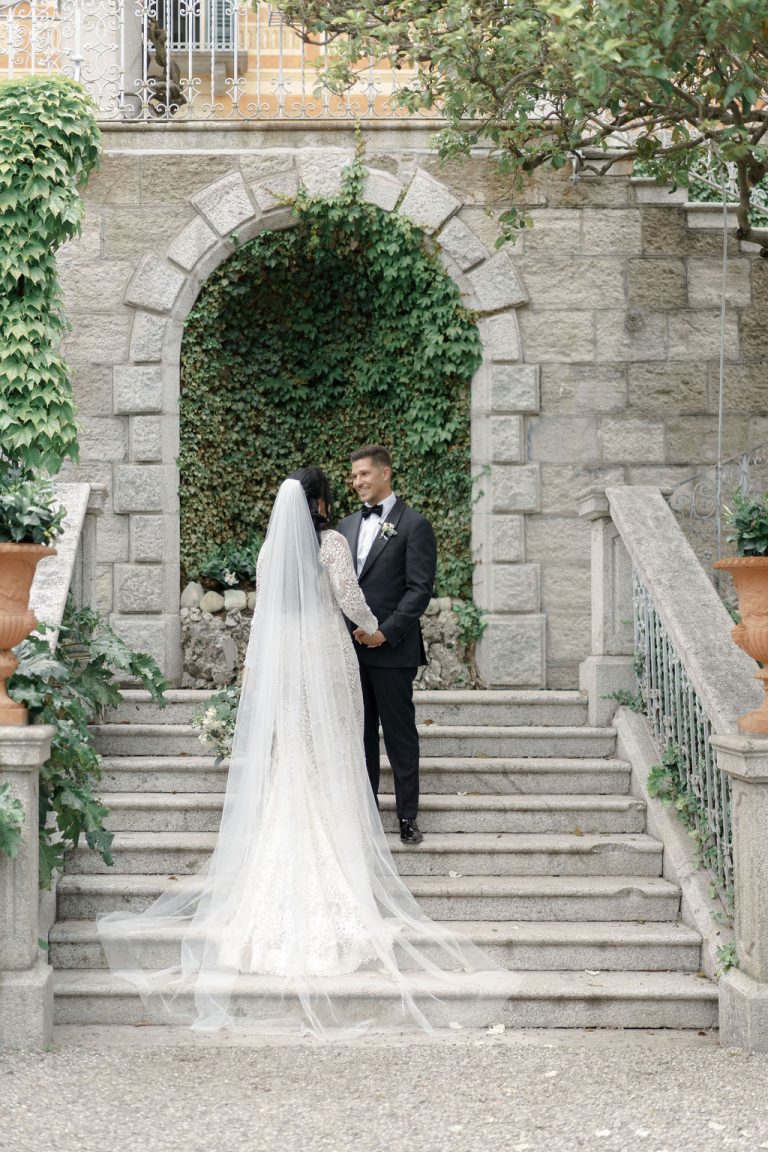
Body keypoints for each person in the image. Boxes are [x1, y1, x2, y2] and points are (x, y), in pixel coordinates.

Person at [97, 468, 504, 1036]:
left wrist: (254, 677)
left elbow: (262, 619)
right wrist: (371, 628)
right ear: (320, 502)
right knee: (329, 752)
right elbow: (350, 597)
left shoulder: (271, 551)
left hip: (287, 664)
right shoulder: (332, 542)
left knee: (295, 758)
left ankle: (276, 884)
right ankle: (338, 859)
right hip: (328, 656)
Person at [338, 445, 436, 845]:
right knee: (358, 734)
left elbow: (419, 590)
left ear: (385, 473)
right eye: (353, 476)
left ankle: (408, 817)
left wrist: (385, 631)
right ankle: (365, 813)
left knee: (399, 734)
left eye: (363, 474)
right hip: (349, 650)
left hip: (392, 650)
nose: (357, 482)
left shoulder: (414, 525)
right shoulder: (343, 527)